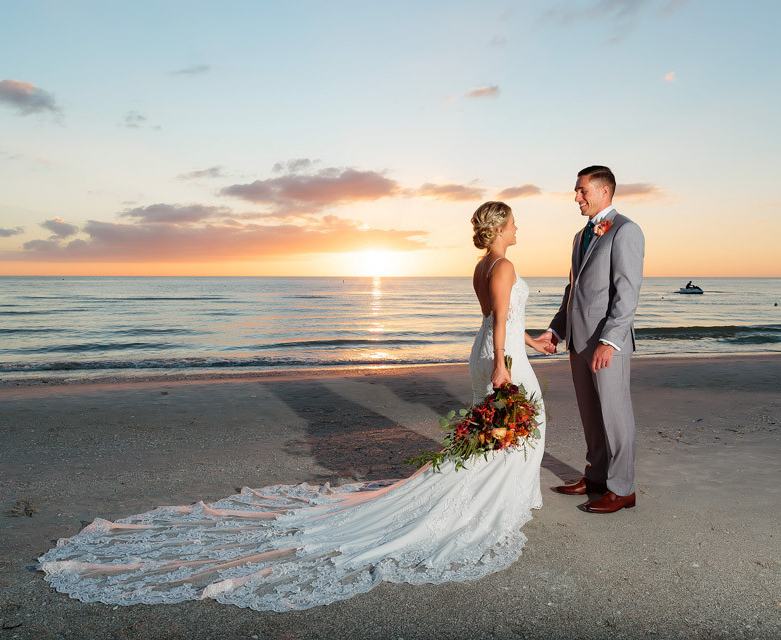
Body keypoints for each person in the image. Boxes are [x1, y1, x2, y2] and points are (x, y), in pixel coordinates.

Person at [37, 201, 553, 612]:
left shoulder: (482, 265)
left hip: (489, 351)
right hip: (498, 357)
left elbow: (495, 319)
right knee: (516, 426)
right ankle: (494, 502)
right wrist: (508, 364)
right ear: (501, 226)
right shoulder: (503, 264)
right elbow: (501, 318)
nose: (517, 228)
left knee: (495, 431)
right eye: (513, 221)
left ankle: (495, 492)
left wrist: (533, 346)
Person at [537, 166, 644, 514]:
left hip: (605, 345)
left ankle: (622, 488)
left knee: (616, 416)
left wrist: (609, 341)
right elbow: (574, 289)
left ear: (604, 192)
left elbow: (627, 293)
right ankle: (596, 477)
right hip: (577, 341)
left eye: (582, 191)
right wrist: (556, 330)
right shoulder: (578, 236)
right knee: (591, 415)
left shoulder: (626, 231)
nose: (577, 197)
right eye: (577, 191)